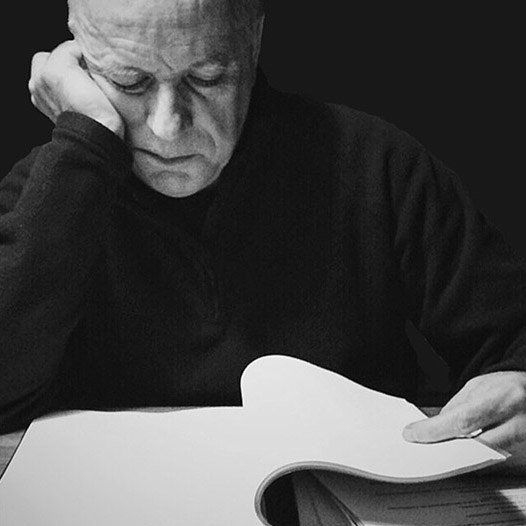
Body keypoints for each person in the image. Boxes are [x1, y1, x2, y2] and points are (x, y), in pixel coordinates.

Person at [1, 0, 526, 467]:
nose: (167, 127)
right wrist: (85, 146)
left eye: (206, 78)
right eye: (128, 82)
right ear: (80, 59)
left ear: (252, 43)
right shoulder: (47, 193)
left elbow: (514, 342)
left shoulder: (379, 167)